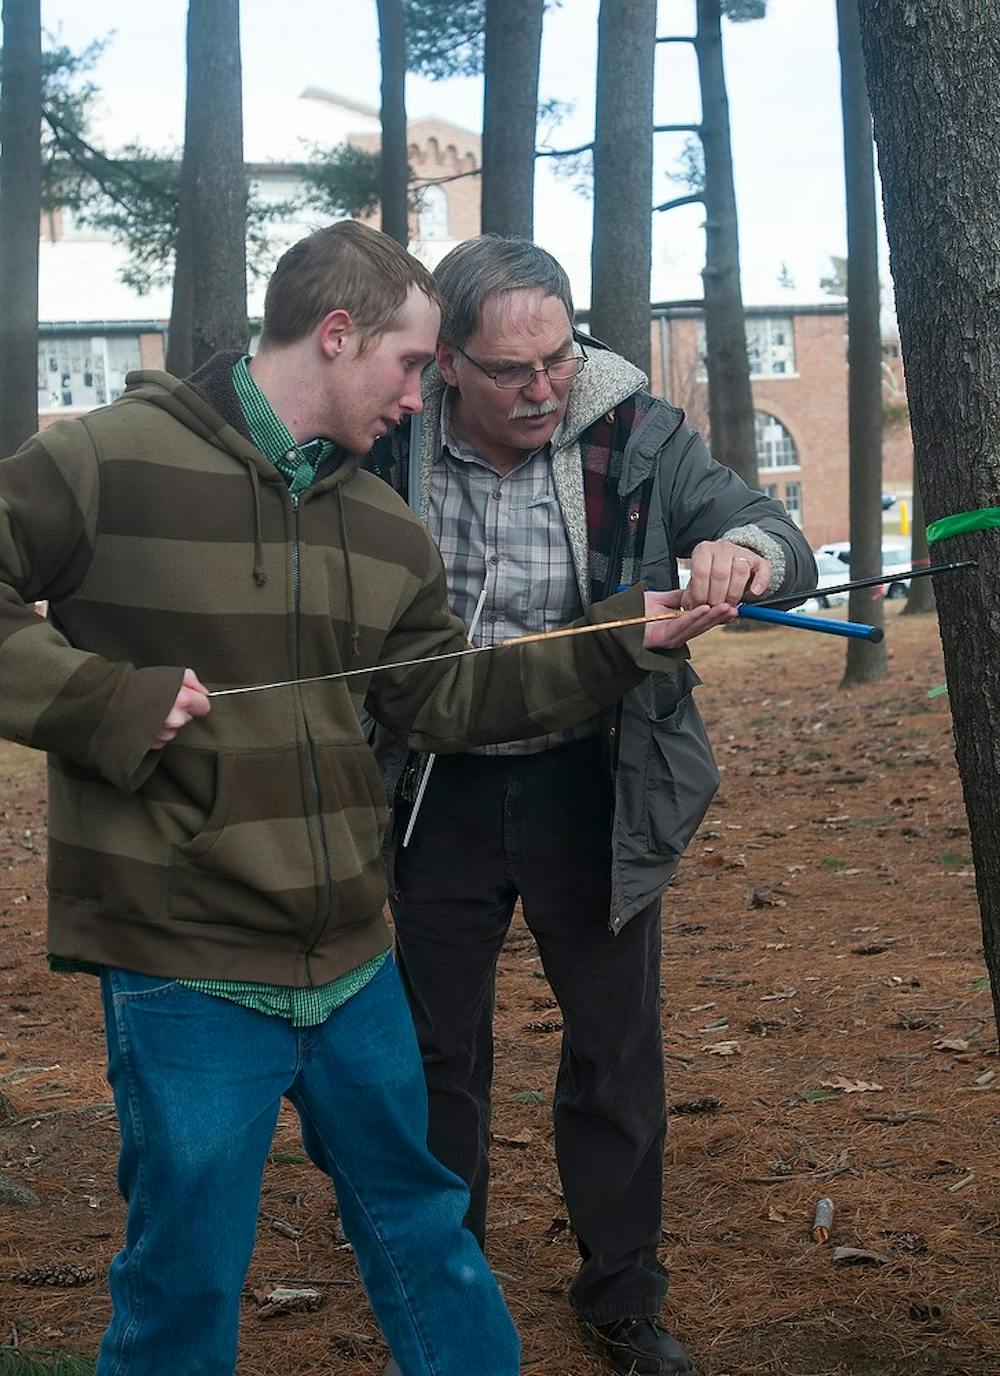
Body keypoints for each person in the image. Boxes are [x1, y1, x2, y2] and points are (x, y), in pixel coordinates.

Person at [0, 221, 735, 1376]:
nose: (421, 393)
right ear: (337, 336)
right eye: (412, 364)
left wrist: (619, 643)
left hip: (350, 957)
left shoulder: (380, 524)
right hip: (184, 960)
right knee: (183, 1272)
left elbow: (447, 694)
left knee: (424, 1233)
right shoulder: (107, 460)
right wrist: (95, 697)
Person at [364, 235, 816, 1376]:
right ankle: (443, 1289)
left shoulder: (637, 431)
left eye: (556, 359)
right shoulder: (388, 437)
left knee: (614, 1051)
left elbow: (779, 531)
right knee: (432, 1052)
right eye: (508, 368)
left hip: (592, 778)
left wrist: (739, 553)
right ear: (447, 363)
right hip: (433, 781)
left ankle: (621, 1295)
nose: (539, 389)